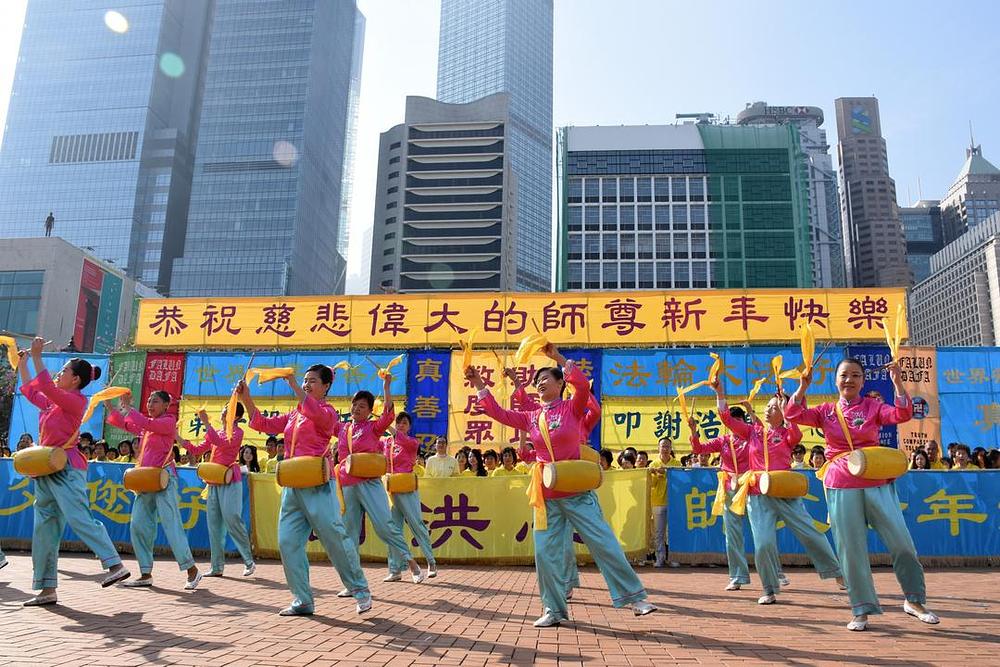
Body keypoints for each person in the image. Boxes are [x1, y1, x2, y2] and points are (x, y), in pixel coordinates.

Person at [467, 343, 656, 627]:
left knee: (603, 543)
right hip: (547, 496)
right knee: (545, 554)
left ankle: (635, 598)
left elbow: (582, 388)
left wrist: (557, 357)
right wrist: (479, 383)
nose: (540, 383)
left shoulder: (572, 408)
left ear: (560, 383)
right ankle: (553, 609)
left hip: (577, 492)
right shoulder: (531, 417)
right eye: (537, 381)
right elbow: (497, 412)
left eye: (546, 378)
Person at [786, 357, 938, 632]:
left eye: (856, 375)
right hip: (841, 483)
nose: (849, 380)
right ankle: (861, 608)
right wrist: (802, 387)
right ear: (835, 380)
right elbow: (793, 415)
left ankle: (914, 600)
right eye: (844, 375)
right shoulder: (825, 411)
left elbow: (902, 414)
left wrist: (897, 383)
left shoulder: (873, 406)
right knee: (851, 550)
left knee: (902, 543)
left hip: (876, 479)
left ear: (863, 381)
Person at [240, 364, 371, 616]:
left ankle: (359, 588)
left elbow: (315, 413)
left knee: (334, 537)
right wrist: (247, 398)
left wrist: (293, 385)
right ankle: (302, 599)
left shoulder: (328, 413)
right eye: (305, 380)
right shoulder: (294, 415)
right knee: (287, 542)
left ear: (326, 386)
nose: (306, 384)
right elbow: (263, 423)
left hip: (318, 484)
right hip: (293, 486)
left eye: (313, 381)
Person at [15, 339, 130, 604]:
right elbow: (31, 391)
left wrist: (37, 356)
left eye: (64, 371)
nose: (59, 374)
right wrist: (23, 364)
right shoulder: (52, 403)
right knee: (44, 529)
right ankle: (47, 588)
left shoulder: (76, 401)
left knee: (78, 517)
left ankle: (114, 564)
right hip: (46, 467)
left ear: (75, 379)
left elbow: (45, 386)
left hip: (67, 468)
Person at [711, 379, 843, 605]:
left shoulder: (788, 434)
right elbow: (727, 419)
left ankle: (837, 572)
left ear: (782, 412)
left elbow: (796, 433)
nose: (768, 410)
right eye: (767, 407)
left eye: (773, 407)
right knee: (763, 544)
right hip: (757, 495)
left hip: (785, 492)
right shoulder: (752, 432)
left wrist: (788, 410)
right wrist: (720, 393)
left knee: (810, 533)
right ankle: (769, 588)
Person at [335, 377, 425, 588]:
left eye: (362, 406)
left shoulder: (373, 427)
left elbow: (388, 415)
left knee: (385, 527)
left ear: (369, 411)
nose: (357, 408)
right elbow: (320, 420)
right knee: (348, 533)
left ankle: (410, 561)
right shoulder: (342, 428)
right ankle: (353, 583)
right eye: (355, 405)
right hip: (347, 484)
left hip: (370, 484)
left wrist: (386, 387)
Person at [107, 389, 201, 591]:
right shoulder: (147, 427)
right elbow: (126, 424)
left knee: (171, 524)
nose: (150, 404)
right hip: (146, 479)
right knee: (139, 524)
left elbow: (145, 423)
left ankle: (191, 569)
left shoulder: (168, 421)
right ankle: (145, 573)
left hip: (164, 478)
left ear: (166, 405)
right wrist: (110, 406)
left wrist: (128, 408)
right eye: (149, 401)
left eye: (155, 401)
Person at [179, 405, 256, 578]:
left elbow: (221, 443)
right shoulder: (217, 432)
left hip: (230, 479)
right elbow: (197, 450)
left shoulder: (238, 432)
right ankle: (217, 566)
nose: (223, 412)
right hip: (214, 480)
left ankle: (249, 561)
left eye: (228, 410)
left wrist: (206, 423)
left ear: (236, 417)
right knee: (214, 524)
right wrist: (177, 437)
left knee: (232, 518)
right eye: (224, 409)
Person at [688, 404, 752, 592]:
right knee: (732, 534)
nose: (736, 425)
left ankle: (775, 572)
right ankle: (738, 576)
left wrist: (752, 413)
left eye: (739, 421)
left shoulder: (752, 437)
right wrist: (693, 430)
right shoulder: (724, 441)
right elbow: (699, 449)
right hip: (730, 489)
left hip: (751, 486)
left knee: (762, 532)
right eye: (732, 421)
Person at [383, 411, 437, 580]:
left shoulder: (412, 442)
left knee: (417, 524)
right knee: (393, 529)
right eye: (398, 422)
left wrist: (385, 423)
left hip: (407, 488)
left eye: (404, 423)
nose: (401, 425)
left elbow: (399, 437)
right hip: (391, 489)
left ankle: (431, 561)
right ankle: (395, 569)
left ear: (409, 427)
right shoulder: (386, 442)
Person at [648, 437, 681, 569]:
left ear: (671, 448)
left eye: (667, 446)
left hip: (673, 502)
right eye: (663, 446)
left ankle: (674, 558)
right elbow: (652, 484)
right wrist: (655, 474)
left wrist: (666, 473)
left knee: (673, 531)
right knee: (658, 533)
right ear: (658, 448)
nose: (665, 449)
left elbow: (679, 481)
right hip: (657, 502)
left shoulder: (677, 464)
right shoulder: (653, 464)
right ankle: (659, 558)